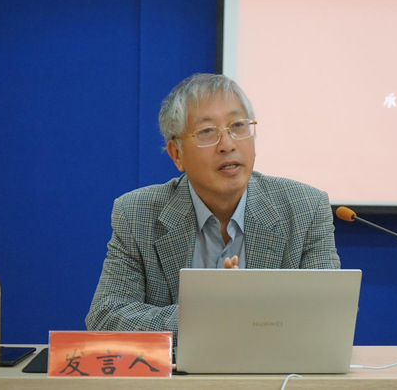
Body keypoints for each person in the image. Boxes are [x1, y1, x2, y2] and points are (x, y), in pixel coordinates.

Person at [85, 73, 340, 345]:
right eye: (207, 132)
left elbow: (331, 314)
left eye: (238, 126)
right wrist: (205, 314)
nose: (228, 145)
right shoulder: (136, 214)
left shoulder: (305, 208)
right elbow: (106, 316)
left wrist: (246, 316)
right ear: (176, 154)